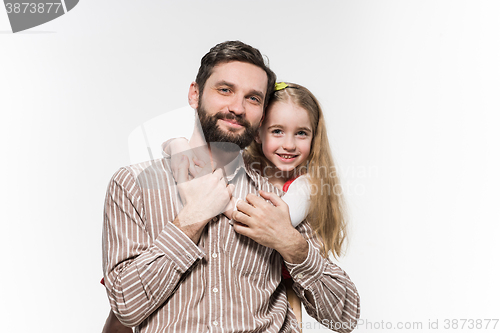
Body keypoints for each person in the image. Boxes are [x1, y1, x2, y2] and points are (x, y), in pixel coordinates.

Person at [102, 40, 360, 333]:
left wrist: (289, 241)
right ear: (195, 94)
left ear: (262, 114)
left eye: (253, 98)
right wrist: (191, 219)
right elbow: (126, 306)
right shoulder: (133, 185)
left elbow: (345, 316)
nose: (237, 107)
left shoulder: (277, 200)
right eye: (225, 90)